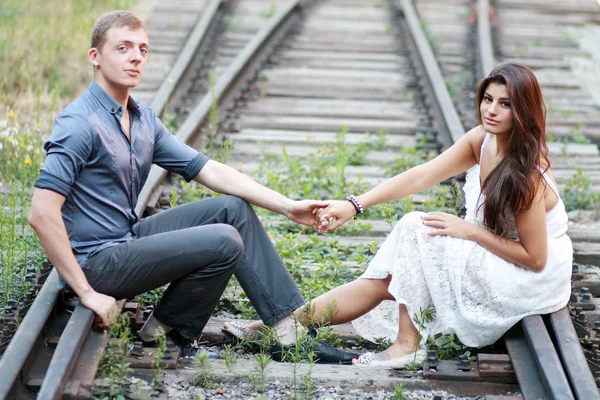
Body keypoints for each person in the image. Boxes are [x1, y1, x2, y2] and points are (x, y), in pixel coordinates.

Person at [28, 10, 357, 362]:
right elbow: (42, 213)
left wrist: (288, 206)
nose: (136, 57)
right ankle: (176, 328)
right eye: (123, 48)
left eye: (142, 49)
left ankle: (283, 330)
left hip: (125, 239)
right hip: (97, 263)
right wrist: (86, 292)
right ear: (95, 56)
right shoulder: (79, 124)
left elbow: (209, 170)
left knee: (233, 211)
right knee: (224, 240)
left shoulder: (141, 119)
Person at [232, 61, 573, 367]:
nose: (492, 110)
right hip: (496, 255)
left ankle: (407, 346)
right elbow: (422, 175)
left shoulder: (528, 176)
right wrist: (354, 204)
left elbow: (535, 259)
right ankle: (278, 326)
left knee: (416, 228)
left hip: (527, 278)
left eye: (505, 104)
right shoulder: (482, 140)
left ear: (524, 111)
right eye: (488, 99)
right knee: (385, 280)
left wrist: (469, 231)